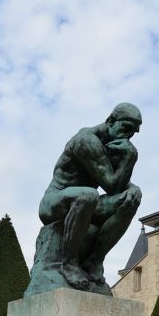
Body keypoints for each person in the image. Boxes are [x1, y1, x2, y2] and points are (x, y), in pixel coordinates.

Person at [35, 102, 142, 294]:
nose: (127, 135)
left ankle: (95, 261)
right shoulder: (86, 140)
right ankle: (69, 264)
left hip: (87, 206)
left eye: (132, 132)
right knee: (88, 194)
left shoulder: (116, 146)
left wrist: (132, 188)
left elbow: (119, 185)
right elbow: (111, 184)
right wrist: (130, 158)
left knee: (132, 197)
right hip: (54, 202)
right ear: (111, 121)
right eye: (125, 128)